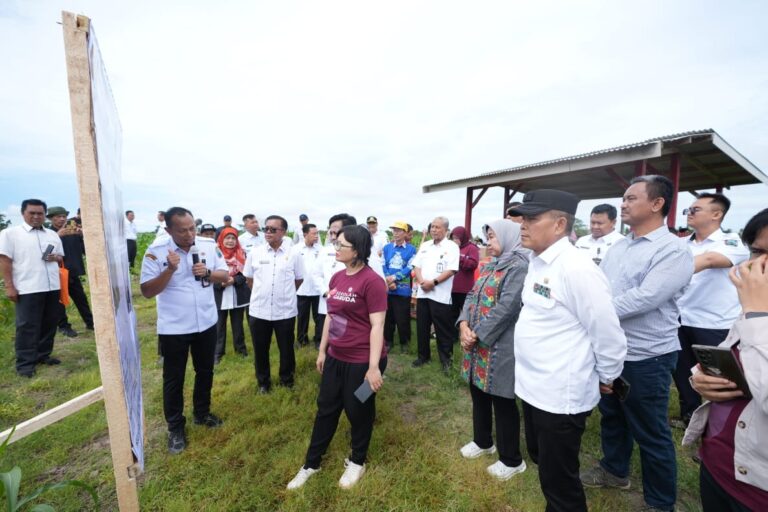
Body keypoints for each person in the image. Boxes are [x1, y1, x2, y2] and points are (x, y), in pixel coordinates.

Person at [508, 190, 626, 512]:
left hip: (560, 394)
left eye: (532, 219)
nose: (523, 225)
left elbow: (607, 331)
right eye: (522, 218)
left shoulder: (576, 269)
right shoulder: (538, 262)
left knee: (560, 483)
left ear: (560, 224)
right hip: (533, 386)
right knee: (545, 465)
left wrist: (608, 376)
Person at [581, 175, 694, 512]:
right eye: (624, 198)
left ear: (657, 204)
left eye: (631, 198)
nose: (624, 204)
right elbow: (601, 287)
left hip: (647, 356)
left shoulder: (673, 249)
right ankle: (615, 471)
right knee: (611, 415)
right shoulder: (620, 247)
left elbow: (646, 298)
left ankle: (660, 502)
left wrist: (591, 312)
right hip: (611, 350)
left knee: (650, 430)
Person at [287, 225, 388, 490]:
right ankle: (311, 463)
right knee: (326, 409)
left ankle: (357, 460)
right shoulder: (337, 278)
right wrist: (322, 350)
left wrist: (374, 367)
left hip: (364, 361)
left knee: (359, 409)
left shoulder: (373, 281)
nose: (335, 248)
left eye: (341, 245)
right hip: (336, 356)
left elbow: (378, 326)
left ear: (357, 250)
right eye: (336, 243)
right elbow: (331, 317)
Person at [683, 208, 768, 511]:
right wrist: (701, 378)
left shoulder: (758, 306)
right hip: (720, 464)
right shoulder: (754, 305)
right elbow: (730, 355)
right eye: (757, 252)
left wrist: (758, 315)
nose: (759, 266)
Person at [140, 207, 229, 454]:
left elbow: (225, 274)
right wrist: (169, 269)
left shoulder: (207, 245)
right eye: (183, 230)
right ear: (169, 230)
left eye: (192, 228)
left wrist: (209, 274)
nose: (190, 234)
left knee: (205, 370)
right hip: (175, 327)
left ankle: (202, 413)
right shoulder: (157, 251)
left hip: (207, 322)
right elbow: (147, 291)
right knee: (174, 378)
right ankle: (176, 428)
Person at [457, 219, 528, 481]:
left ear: (509, 237)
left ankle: (511, 460)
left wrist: (476, 334)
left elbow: (508, 308)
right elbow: (471, 295)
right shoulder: (491, 265)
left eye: (494, 238)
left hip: (501, 346)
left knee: (502, 399)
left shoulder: (519, 266)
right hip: (476, 344)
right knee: (478, 392)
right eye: (487, 238)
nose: (489, 243)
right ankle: (483, 441)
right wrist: (464, 324)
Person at [673, 193, 748, 427]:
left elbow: (709, 261)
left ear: (716, 214)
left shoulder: (731, 242)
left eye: (695, 210)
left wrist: (665, 272)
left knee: (720, 377)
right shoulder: (682, 243)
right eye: (688, 210)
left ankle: (721, 424)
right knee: (684, 371)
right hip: (681, 318)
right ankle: (689, 416)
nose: (689, 214)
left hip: (713, 322)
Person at [0, 199, 65, 378]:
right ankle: (25, 364)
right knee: (27, 326)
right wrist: (9, 286)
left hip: (52, 286)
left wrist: (56, 257)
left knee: (50, 322)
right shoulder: (10, 234)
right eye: (32, 213)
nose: (36, 216)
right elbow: (4, 260)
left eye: (40, 213)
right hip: (27, 287)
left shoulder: (52, 235)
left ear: (45, 215)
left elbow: (60, 258)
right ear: (23, 213)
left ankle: (43, 355)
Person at [244, 215, 304, 393]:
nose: (268, 232)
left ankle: (287, 379)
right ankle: (263, 383)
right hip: (259, 311)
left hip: (284, 311)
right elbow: (249, 279)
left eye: (273, 229)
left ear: (284, 232)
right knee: (260, 350)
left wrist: (282, 294)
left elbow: (298, 279)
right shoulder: (256, 252)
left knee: (286, 349)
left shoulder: (293, 253)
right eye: (266, 229)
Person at [411, 216, 460, 371]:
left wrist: (434, 282)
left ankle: (446, 361)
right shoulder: (425, 245)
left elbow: (451, 269)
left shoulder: (451, 247)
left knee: (443, 330)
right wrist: (421, 282)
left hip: (440, 295)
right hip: (423, 293)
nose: (434, 230)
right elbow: (416, 266)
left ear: (446, 230)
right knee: (422, 327)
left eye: (438, 227)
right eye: (432, 227)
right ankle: (423, 357)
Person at [312, 214, 358, 350]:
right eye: (330, 232)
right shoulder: (325, 251)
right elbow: (315, 274)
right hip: (326, 304)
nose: (332, 236)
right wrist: (325, 292)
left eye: (335, 232)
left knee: (346, 343)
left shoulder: (360, 253)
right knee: (326, 342)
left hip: (350, 307)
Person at [47, 207, 94, 337]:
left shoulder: (72, 231)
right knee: (59, 302)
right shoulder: (48, 234)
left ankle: (90, 323)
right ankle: (64, 326)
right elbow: (45, 253)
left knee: (81, 298)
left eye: (64, 216)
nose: (62, 219)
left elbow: (87, 250)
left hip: (72, 271)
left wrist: (82, 235)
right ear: (50, 219)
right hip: (56, 273)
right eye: (58, 217)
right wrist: (57, 236)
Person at [213, 227, 250, 363]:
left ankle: (241, 350)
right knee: (219, 326)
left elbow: (245, 274)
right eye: (227, 238)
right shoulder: (215, 254)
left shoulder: (242, 253)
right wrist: (220, 283)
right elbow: (209, 273)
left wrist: (233, 280)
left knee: (238, 324)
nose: (230, 241)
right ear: (221, 239)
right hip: (219, 294)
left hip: (237, 292)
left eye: (233, 238)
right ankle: (217, 354)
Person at [382, 221, 417, 352]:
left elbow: (410, 267)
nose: (396, 233)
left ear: (405, 233)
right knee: (388, 317)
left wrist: (395, 278)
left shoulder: (411, 249)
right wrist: (387, 278)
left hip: (402, 289)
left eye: (399, 230)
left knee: (402, 317)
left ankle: (405, 342)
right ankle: (388, 341)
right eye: (394, 230)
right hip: (387, 288)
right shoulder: (387, 248)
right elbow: (382, 264)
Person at [292, 223, 323, 347]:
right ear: (305, 234)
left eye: (317, 233)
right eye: (313, 234)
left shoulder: (321, 249)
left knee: (319, 317)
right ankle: (301, 340)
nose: (316, 236)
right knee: (302, 317)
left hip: (317, 289)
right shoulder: (295, 249)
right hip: (302, 290)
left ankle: (319, 339)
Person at [450, 226, 480, 323]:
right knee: (452, 313)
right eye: (453, 238)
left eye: (457, 238)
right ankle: (452, 335)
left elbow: (473, 264)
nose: (455, 240)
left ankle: (466, 333)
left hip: (465, 289)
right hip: (451, 287)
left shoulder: (472, 248)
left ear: (463, 237)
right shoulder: (451, 248)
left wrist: (459, 257)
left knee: (466, 313)